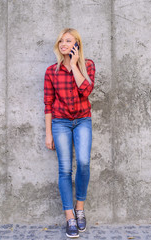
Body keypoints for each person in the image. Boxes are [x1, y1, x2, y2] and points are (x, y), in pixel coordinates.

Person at [44, 28, 95, 238]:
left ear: (77, 44)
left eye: (68, 40)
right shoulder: (51, 71)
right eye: (61, 41)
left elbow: (86, 91)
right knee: (65, 169)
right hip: (60, 123)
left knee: (83, 162)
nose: (63, 44)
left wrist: (74, 65)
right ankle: (69, 217)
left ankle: (80, 208)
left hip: (83, 120)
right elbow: (48, 104)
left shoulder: (88, 65)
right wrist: (48, 133)